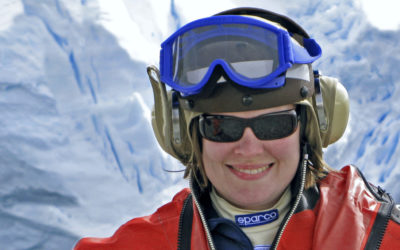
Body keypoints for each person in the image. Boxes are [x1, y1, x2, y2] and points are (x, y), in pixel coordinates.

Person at [74, 7, 400, 250]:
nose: (248, 148)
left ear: (311, 128)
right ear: (184, 135)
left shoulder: (383, 235)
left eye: (273, 124)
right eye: (220, 126)